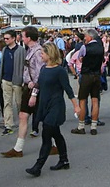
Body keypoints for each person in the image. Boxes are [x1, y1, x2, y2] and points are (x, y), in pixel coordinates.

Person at [25, 43, 80, 177]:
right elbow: (39, 84)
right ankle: (64, 160)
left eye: (43, 53)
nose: (41, 55)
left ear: (49, 55)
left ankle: (38, 167)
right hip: (45, 105)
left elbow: (68, 89)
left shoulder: (60, 71)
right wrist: (33, 95)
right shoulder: (44, 69)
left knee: (46, 135)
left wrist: (76, 105)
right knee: (56, 134)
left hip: (56, 106)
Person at [2, 26, 43, 157]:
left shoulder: (38, 52)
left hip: (33, 89)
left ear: (29, 38)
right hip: (28, 87)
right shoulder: (30, 50)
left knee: (44, 117)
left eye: (23, 36)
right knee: (23, 116)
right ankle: (18, 148)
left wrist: (34, 92)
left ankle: (54, 144)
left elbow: (39, 74)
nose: (21, 38)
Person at [71, 29, 103, 135]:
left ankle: (81, 126)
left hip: (86, 75)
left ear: (90, 37)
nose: (85, 38)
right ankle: (94, 126)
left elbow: (80, 58)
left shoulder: (85, 47)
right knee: (95, 100)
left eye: (86, 36)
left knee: (82, 100)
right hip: (97, 75)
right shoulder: (101, 47)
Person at [0, 31, 26, 137]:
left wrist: (24, 79)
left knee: (19, 102)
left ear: (14, 38)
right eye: (4, 38)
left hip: (17, 80)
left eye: (7, 38)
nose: (5, 40)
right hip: (6, 79)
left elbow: (25, 65)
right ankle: (8, 125)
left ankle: (22, 122)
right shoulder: (4, 50)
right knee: (7, 103)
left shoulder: (21, 50)